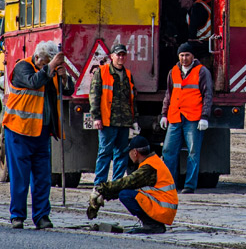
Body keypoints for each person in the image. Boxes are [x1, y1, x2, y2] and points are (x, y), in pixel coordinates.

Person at [2, 41, 72, 229]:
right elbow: (34, 82)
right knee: (20, 177)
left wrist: (65, 78)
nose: (46, 67)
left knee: (43, 177)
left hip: (42, 132)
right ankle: (17, 215)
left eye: (49, 64)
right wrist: (50, 67)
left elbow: (67, 91)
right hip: (19, 131)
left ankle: (42, 216)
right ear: (38, 57)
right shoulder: (22, 67)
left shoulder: (51, 69)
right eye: (44, 63)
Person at [86, 133, 177, 234]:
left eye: (129, 152)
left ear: (135, 152)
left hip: (162, 209)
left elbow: (126, 182)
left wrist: (101, 189)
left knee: (125, 195)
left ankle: (152, 225)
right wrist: (105, 195)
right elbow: (130, 186)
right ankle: (153, 223)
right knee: (127, 192)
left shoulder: (149, 168)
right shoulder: (152, 162)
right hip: (163, 208)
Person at [159, 42, 212, 194]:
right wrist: (164, 114)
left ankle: (189, 185)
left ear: (193, 56)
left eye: (187, 55)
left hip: (194, 118)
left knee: (193, 152)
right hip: (175, 117)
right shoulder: (173, 72)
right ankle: (169, 185)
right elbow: (168, 95)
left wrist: (204, 117)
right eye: (181, 55)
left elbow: (208, 95)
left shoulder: (202, 72)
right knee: (169, 151)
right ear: (178, 56)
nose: (184, 58)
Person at [91, 43, 136, 194]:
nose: (121, 57)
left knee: (122, 153)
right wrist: (96, 117)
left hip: (124, 121)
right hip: (107, 120)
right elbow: (95, 95)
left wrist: (134, 119)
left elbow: (132, 98)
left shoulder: (128, 74)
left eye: (123, 55)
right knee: (105, 152)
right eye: (118, 54)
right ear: (112, 56)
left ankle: (116, 185)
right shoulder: (102, 72)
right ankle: (99, 184)